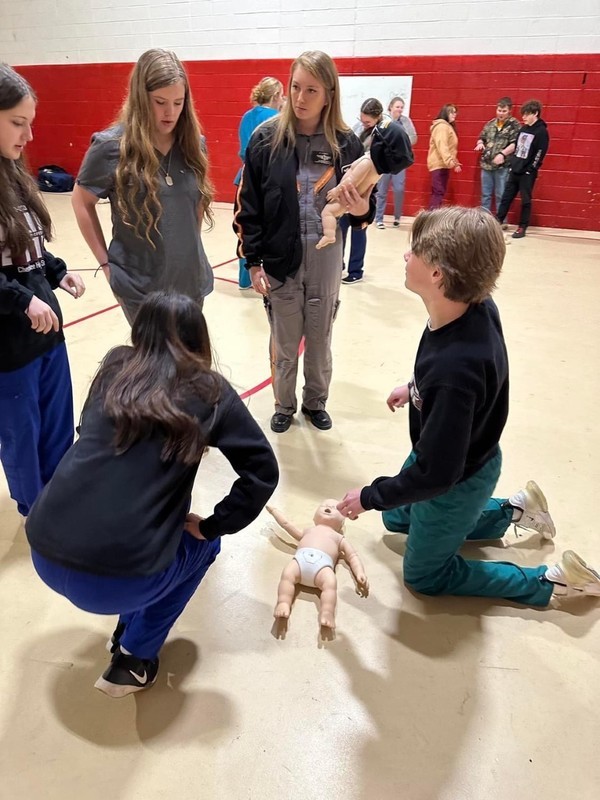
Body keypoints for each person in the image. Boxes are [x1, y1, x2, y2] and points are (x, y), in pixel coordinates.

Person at [337, 207, 600, 606]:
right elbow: (464, 382)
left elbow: (438, 475)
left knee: (424, 575)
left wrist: (368, 496)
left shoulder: (454, 372)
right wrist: (414, 387)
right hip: (445, 451)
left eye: (414, 251)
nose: (406, 256)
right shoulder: (472, 306)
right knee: (395, 517)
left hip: (456, 479)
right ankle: (515, 509)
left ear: (437, 274)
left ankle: (552, 582)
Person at [25, 292, 279, 698]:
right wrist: (214, 525)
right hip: (118, 582)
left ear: (139, 330)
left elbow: (86, 432)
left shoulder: (115, 366)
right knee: (204, 545)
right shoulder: (210, 391)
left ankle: (127, 627)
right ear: (199, 337)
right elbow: (263, 472)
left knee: (149, 529)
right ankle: (133, 659)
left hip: (43, 548)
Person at [233, 50, 374, 434]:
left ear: (329, 94)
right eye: (295, 87)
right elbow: (248, 206)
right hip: (281, 259)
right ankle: (284, 405)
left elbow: (365, 212)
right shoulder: (265, 140)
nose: (300, 97)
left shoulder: (347, 144)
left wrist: (360, 205)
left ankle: (315, 402)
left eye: (311, 90)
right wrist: (253, 261)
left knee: (320, 339)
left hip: (327, 259)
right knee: (284, 342)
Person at [72, 48, 214, 324]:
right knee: (154, 354)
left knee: (190, 352)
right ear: (140, 98)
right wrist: (106, 264)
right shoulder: (111, 147)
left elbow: (195, 207)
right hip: (140, 288)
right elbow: (81, 201)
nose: (170, 112)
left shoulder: (194, 145)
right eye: (160, 102)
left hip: (190, 281)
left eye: (178, 102)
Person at [0, 63, 85, 518]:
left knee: (56, 423)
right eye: (18, 122)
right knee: (22, 432)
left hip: (47, 331)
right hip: (9, 346)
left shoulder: (13, 175)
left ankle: (57, 497)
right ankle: (34, 509)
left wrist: (56, 273)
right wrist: (22, 299)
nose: (28, 136)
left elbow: (27, 249)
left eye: (30, 123)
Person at [267, 499, 368, 631]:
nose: (328, 507)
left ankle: (327, 613)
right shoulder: (308, 531)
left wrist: (359, 572)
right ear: (314, 517)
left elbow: (353, 556)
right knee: (287, 575)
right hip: (299, 560)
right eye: (324, 506)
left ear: (341, 523)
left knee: (330, 584)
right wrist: (274, 511)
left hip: (323, 567)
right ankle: (283, 603)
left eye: (335, 508)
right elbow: (286, 524)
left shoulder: (339, 538)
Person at [318, 118, 413, 248]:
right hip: (348, 199)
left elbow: (351, 181)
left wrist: (337, 190)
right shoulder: (375, 167)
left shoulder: (367, 163)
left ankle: (329, 235)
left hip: (344, 198)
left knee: (327, 212)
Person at [233, 77, 284, 289]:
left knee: (246, 228)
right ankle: (268, 277)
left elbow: (243, 150)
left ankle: (245, 278)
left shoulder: (246, 116)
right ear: (276, 96)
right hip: (268, 179)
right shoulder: (278, 119)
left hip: (245, 177)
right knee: (270, 229)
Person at [339, 97, 383, 285]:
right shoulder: (358, 130)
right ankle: (337, 263)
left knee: (359, 229)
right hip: (351, 184)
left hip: (366, 189)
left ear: (378, 117)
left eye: (367, 121)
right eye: (362, 119)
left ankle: (356, 270)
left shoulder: (383, 135)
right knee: (341, 227)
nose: (364, 123)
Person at [496, 99, 550, 239]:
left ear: (535, 113)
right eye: (523, 114)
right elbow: (517, 146)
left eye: (527, 114)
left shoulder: (541, 132)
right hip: (515, 169)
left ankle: (522, 227)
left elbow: (540, 153)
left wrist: (530, 169)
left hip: (527, 173)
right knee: (506, 197)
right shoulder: (523, 129)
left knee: (525, 200)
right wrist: (511, 163)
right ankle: (497, 221)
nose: (523, 117)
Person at [375, 96, 418, 229]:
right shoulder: (384, 120)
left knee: (399, 189)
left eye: (401, 107)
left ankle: (397, 217)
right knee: (381, 190)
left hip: (399, 161)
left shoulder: (405, 121)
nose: (399, 109)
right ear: (391, 107)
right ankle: (379, 218)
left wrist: (400, 143)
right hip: (384, 161)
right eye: (397, 107)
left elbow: (413, 138)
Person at [474, 97, 520, 216]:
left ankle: (501, 221)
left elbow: (515, 144)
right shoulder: (490, 124)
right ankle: (484, 220)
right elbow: (482, 137)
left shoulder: (514, 125)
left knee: (501, 195)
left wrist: (502, 154)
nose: (501, 113)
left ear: (509, 111)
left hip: (502, 166)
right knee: (485, 195)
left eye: (504, 111)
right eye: (499, 110)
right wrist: (480, 143)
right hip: (486, 165)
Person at [427, 104, 461, 209]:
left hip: (443, 164)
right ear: (445, 113)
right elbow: (442, 146)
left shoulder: (447, 126)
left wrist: (454, 162)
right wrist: (449, 161)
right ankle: (432, 216)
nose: (454, 114)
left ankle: (433, 215)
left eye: (455, 112)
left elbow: (450, 148)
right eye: (451, 112)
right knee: (438, 192)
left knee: (438, 192)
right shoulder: (442, 127)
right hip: (439, 164)